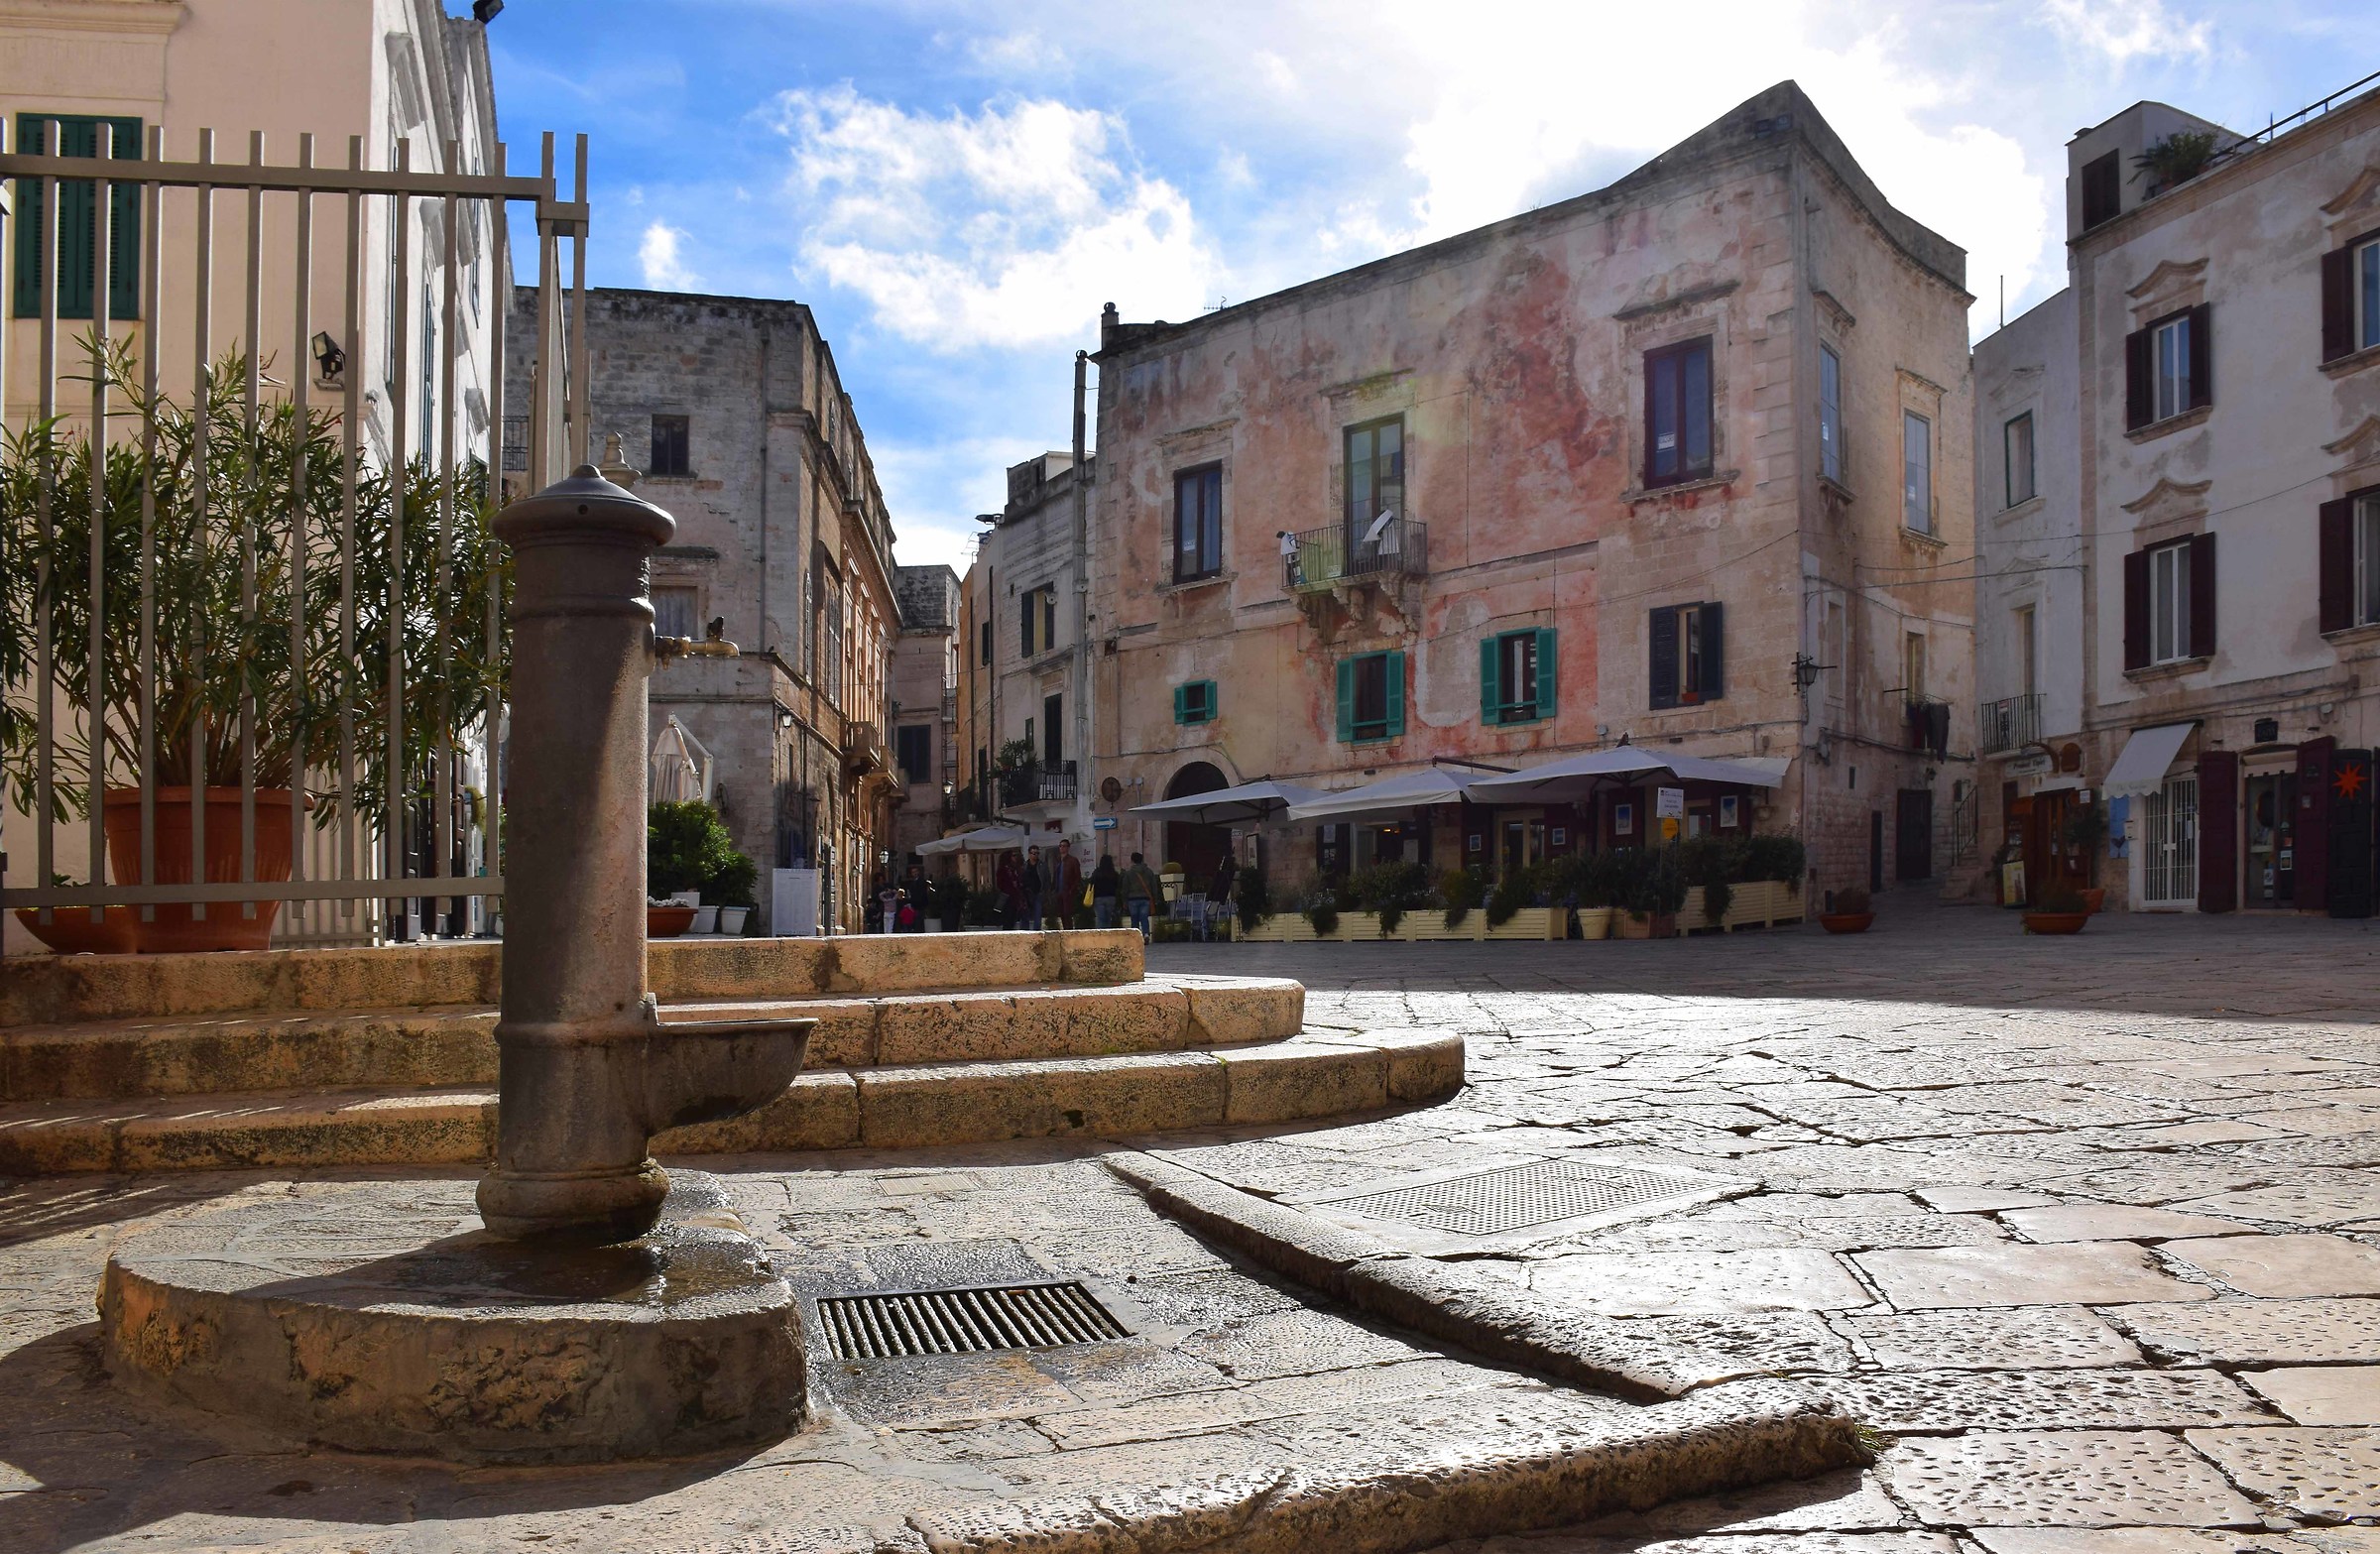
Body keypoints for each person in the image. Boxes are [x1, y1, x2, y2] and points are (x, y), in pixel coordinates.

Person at [1123, 851, 1162, 940]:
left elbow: (1125, 888)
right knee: (1144, 917)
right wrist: (1155, 898)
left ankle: (1135, 937)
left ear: (1132, 860)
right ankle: (1146, 934)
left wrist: (1124, 901)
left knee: (1134, 918)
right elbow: (1154, 886)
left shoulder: (1129, 873)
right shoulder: (1149, 872)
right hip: (1145, 898)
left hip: (1132, 898)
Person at [1054, 838, 1085, 931]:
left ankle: (1069, 931)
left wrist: (1072, 890)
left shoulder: (1072, 860)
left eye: (1064, 846)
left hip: (1068, 891)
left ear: (1068, 848)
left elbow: (1077, 877)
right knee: (1062, 913)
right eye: (1060, 846)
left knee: (1068, 913)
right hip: (1059, 890)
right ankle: (1065, 930)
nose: (1062, 848)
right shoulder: (1058, 861)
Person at [1204, 857, 1237, 941]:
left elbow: (1211, 895)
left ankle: (1207, 933)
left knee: (1203, 913)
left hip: (1213, 907)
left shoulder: (1219, 877)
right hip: (1222, 907)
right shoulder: (1230, 875)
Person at [1019, 844, 1046, 931]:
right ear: (1029, 854)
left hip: (1038, 893)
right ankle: (1025, 934)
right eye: (1033, 853)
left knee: (1037, 916)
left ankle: (1036, 934)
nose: (1035, 855)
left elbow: (1047, 879)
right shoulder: (1024, 866)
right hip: (1026, 894)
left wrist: (1045, 892)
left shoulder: (1042, 865)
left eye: (1037, 853)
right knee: (1025, 916)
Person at [1091, 853, 1121, 929]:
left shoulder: (1097, 872)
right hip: (1111, 897)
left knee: (1100, 919)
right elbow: (1117, 885)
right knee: (1108, 919)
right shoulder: (1114, 873)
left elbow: (1091, 883)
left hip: (1098, 898)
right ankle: (1107, 936)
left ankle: (1100, 937)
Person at [995, 852, 1022, 929]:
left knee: (1012, 919)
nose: (1015, 858)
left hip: (1014, 898)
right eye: (1013, 856)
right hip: (1007, 898)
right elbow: (1000, 884)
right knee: (1007, 919)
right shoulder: (1002, 870)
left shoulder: (1014, 869)